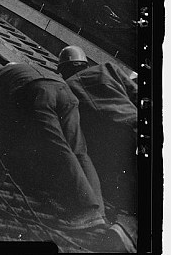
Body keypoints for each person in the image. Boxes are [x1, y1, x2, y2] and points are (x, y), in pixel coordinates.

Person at [0, 62, 106, 230]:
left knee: (58, 146)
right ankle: (100, 212)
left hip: (40, 93)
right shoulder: (31, 68)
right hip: (66, 92)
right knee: (80, 151)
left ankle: (87, 210)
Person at [57, 46, 138, 214]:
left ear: (63, 69)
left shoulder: (66, 87)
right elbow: (136, 94)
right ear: (84, 63)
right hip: (134, 124)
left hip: (111, 142)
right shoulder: (108, 68)